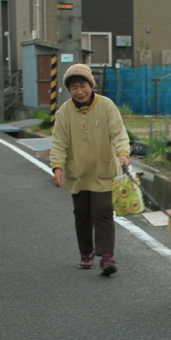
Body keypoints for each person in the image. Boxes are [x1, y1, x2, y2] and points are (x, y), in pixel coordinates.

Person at [50, 64, 130, 275]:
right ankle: (86, 253)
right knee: (82, 213)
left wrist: (123, 153)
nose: (80, 91)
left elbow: (118, 132)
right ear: (70, 90)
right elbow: (58, 142)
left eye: (83, 85)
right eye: (74, 87)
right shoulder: (64, 112)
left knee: (103, 211)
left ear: (91, 85)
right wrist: (57, 167)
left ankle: (107, 256)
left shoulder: (106, 105)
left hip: (104, 170)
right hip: (78, 172)